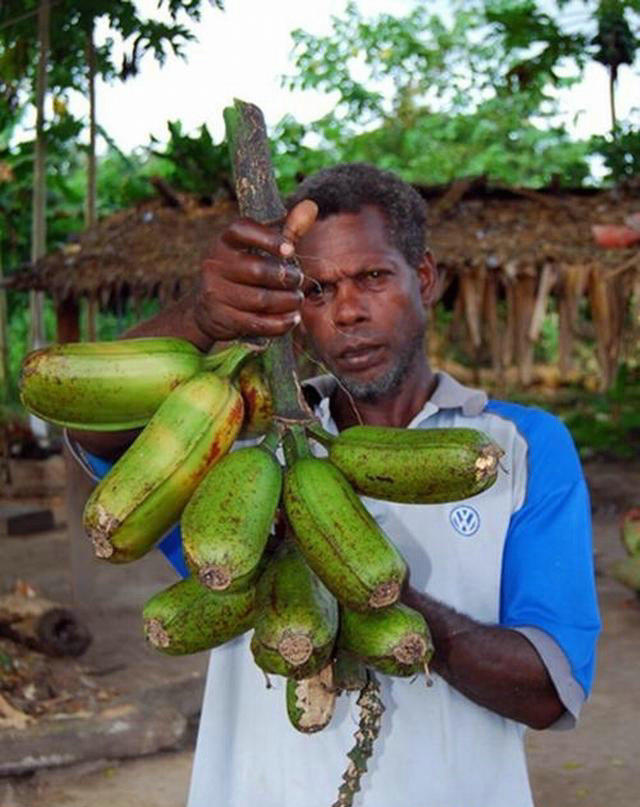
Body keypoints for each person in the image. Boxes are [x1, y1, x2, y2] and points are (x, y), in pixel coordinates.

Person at [68, 163, 600, 807]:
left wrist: (368, 581)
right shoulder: (236, 438)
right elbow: (102, 435)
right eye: (316, 290)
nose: (347, 311)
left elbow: (548, 688)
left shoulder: (515, 447)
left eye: (372, 278)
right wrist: (201, 317)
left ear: (424, 278)